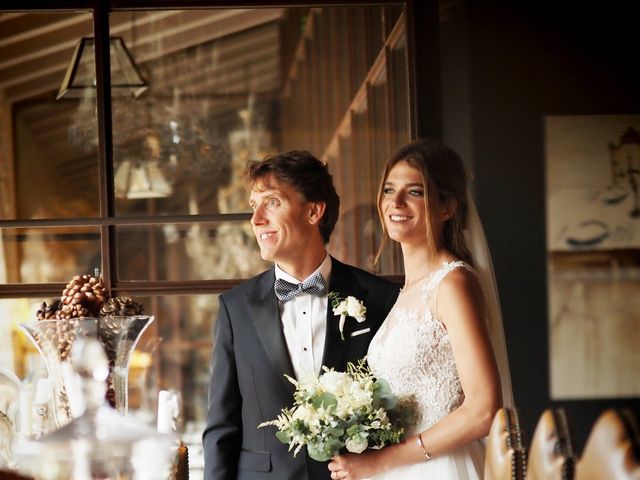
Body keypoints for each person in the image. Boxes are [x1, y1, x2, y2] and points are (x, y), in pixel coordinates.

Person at [202, 150, 400, 480]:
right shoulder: (235, 308)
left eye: (272, 202)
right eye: (254, 205)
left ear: (313, 211)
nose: (256, 219)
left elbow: (400, 409)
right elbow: (221, 428)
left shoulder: (379, 298)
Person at [328, 138, 513, 480]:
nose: (395, 202)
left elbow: (483, 410)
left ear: (446, 207)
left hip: (441, 469)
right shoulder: (407, 291)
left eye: (414, 191)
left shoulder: (453, 285)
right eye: (388, 190)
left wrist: (383, 461)